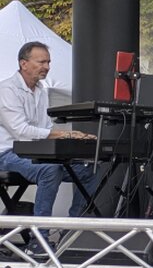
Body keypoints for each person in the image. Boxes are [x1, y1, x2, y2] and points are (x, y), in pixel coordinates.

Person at [0, 42, 98, 229]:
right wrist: (66, 134)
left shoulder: (41, 90)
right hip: (6, 154)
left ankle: (72, 229)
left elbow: (45, 128)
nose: (47, 67)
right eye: (41, 62)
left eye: (48, 62)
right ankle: (40, 237)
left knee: (89, 169)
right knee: (50, 170)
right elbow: (20, 131)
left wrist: (70, 140)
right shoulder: (6, 89)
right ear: (23, 64)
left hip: (33, 153)